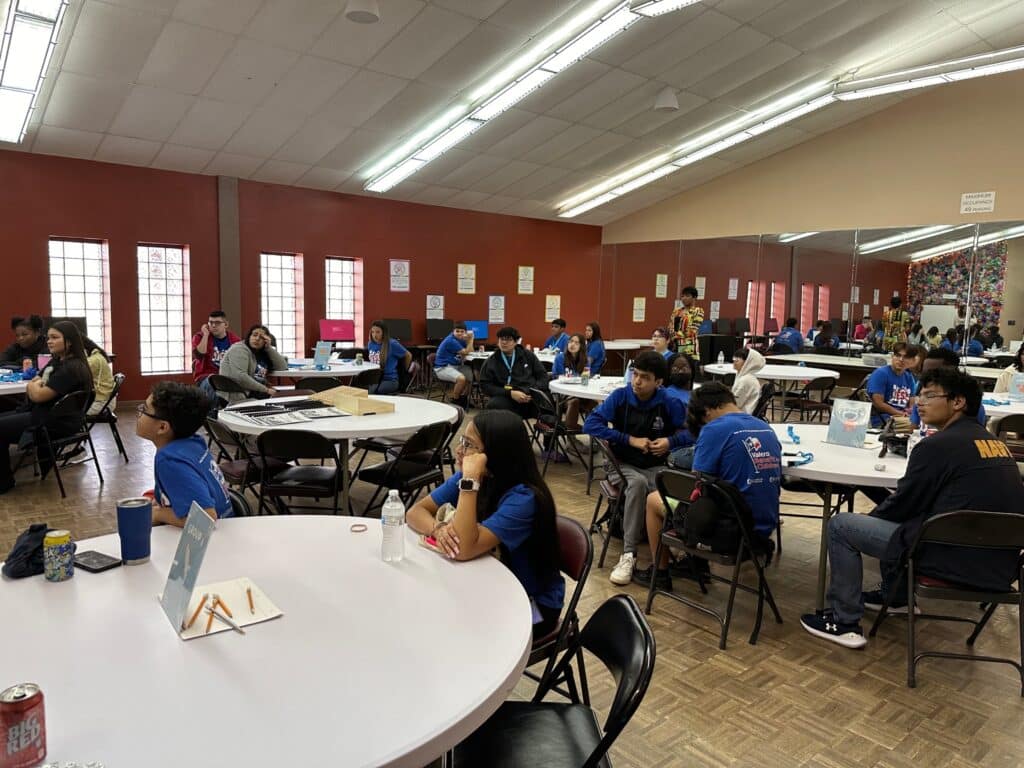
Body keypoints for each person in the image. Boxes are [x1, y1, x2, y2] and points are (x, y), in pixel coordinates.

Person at [800, 368, 1024, 649]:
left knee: (842, 526)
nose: (919, 402)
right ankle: (897, 598)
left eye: (930, 396)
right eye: (919, 395)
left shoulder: (937, 445)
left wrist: (869, 523)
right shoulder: (996, 444)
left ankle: (843, 621)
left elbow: (903, 505)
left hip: (947, 558)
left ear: (958, 402)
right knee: (908, 521)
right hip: (999, 567)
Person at [406, 410, 564, 639]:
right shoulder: (480, 477)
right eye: (462, 441)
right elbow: (415, 512)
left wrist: (470, 482)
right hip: (491, 586)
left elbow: (464, 549)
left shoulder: (524, 498)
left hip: (534, 607)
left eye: (469, 445)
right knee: (432, 610)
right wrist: (438, 529)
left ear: (495, 454)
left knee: (460, 633)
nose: (459, 451)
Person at [633, 383, 782, 589]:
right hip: (763, 531)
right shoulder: (766, 428)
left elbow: (697, 485)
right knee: (710, 499)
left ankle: (659, 574)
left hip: (732, 533)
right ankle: (695, 564)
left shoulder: (714, 429)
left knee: (654, 500)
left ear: (706, 412)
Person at [583, 351, 687, 585]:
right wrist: (629, 439)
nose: (637, 381)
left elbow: (691, 432)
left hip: (654, 466)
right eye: (635, 374)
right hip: (621, 463)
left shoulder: (669, 402)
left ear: (659, 382)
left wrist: (671, 442)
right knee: (638, 485)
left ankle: (678, 544)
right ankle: (628, 554)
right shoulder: (620, 396)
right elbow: (591, 424)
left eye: (645, 377)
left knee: (669, 489)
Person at [0, 321, 94, 494]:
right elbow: (37, 379)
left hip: (53, 424)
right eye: (49, 337)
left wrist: (32, 387)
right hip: (50, 416)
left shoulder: (71, 368)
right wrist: (35, 384)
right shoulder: (58, 361)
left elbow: (37, 393)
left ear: (70, 341)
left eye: (55, 337)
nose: (49, 341)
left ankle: (4, 482)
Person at [136, 382, 232, 527]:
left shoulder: (170, 460)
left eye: (144, 409)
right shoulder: (193, 441)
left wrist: (158, 514)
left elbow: (205, 518)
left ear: (162, 427)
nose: (139, 413)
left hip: (212, 541)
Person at [479, 326, 548, 418]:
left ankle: (553, 430)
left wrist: (532, 391)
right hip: (507, 397)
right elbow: (485, 386)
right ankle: (510, 430)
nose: (504, 342)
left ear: (516, 342)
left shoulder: (528, 355)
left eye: (508, 339)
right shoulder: (491, 361)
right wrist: (510, 393)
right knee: (493, 405)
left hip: (530, 395)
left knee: (548, 402)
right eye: (501, 339)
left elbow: (543, 376)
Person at [909, 348, 986, 426]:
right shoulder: (922, 399)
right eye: (924, 373)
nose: (927, 378)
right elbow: (914, 427)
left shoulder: (971, 407)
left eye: (935, 374)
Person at [216, 324, 287, 404]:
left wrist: (269, 348)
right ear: (249, 336)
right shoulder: (239, 349)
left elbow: (282, 367)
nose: (257, 339)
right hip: (237, 395)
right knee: (279, 401)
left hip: (252, 391)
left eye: (261, 337)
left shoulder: (261, 352)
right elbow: (240, 377)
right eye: (254, 335)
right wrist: (266, 390)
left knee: (283, 399)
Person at [192, 310, 241, 401]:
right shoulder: (199, 337)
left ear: (226, 324)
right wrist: (206, 335)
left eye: (217, 323)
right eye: (211, 322)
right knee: (212, 384)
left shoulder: (235, 340)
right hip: (206, 377)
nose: (213, 326)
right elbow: (199, 355)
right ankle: (213, 413)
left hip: (227, 377)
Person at [866, 341, 916, 427]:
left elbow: (912, 403)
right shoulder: (881, 373)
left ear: (912, 361)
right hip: (883, 420)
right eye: (898, 355)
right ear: (892, 356)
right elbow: (879, 404)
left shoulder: (909, 377)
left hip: (903, 419)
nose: (901, 360)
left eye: (906, 357)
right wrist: (901, 414)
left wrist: (911, 413)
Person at [434, 321, 474, 408]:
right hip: (443, 368)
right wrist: (471, 339)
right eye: (457, 331)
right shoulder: (450, 340)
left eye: (462, 331)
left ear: (465, 332)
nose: (459, 333)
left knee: (471, 378)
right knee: (462, 379)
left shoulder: (462, 340)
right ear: (453, 331)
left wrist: (469, 341)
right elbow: (465, 352)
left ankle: (463, 399)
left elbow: (470, 351)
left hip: (456, 366)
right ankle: (455, 401)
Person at [551, 333, 588, 428]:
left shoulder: (585, 360)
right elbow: (557, 377)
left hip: (580, 392)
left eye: (576, 343)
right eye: (571, 341)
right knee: (574, 401)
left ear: (581, 346)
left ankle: (595, 434)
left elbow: (585, 379)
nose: (572, 344)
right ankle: (570, 436)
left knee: (596, 404)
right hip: (562, 393)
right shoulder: (560, 358)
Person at [366, 320, 411, 395]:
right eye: (372, 332)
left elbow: (408, 355)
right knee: (365, 391)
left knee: (377, 392)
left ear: (384, 332)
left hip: (390, 379)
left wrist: (404, 370)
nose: (374, 335)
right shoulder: (371, 344)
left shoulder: (392, 344)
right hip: (375, 378)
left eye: (378, 332)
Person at [83, 337, 115, 417]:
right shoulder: (97, 355)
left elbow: (75, 378)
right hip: (104, 401)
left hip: (102, 404)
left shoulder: (93, 361)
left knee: (68, 412)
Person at [669, 287, 704, 361]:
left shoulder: (698, 311)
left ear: (694, 298)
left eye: (687, 296)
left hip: (689, 347)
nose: (684, 298)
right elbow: (670, 327)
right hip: (674, 346)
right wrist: (673, 335)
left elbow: (692, 331)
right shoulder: (676, 311)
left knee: (688, 367)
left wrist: (675, 335)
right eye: (682, 296)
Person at [731, 347, 765, 414]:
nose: (734, 361)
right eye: (734, 359)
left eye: (737, 359)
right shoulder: (746, 377)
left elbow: (735, 404)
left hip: (741, 415)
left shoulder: (746, 380)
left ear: (747, 362)